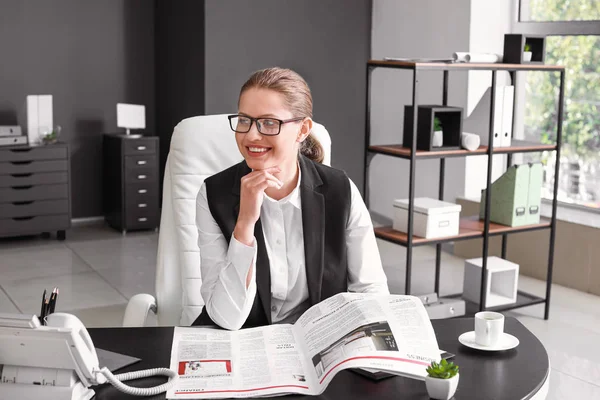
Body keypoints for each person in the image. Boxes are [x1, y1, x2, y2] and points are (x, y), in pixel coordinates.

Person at [193, 67, 389, 330]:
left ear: (302, 130)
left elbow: (370, 291)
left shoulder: (340, 190)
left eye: (269, 123)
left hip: (317, 340)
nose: (251, 135)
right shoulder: (213, 194)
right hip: (242, 341)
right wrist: (245, 225)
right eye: (244, 120)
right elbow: (225, 318)